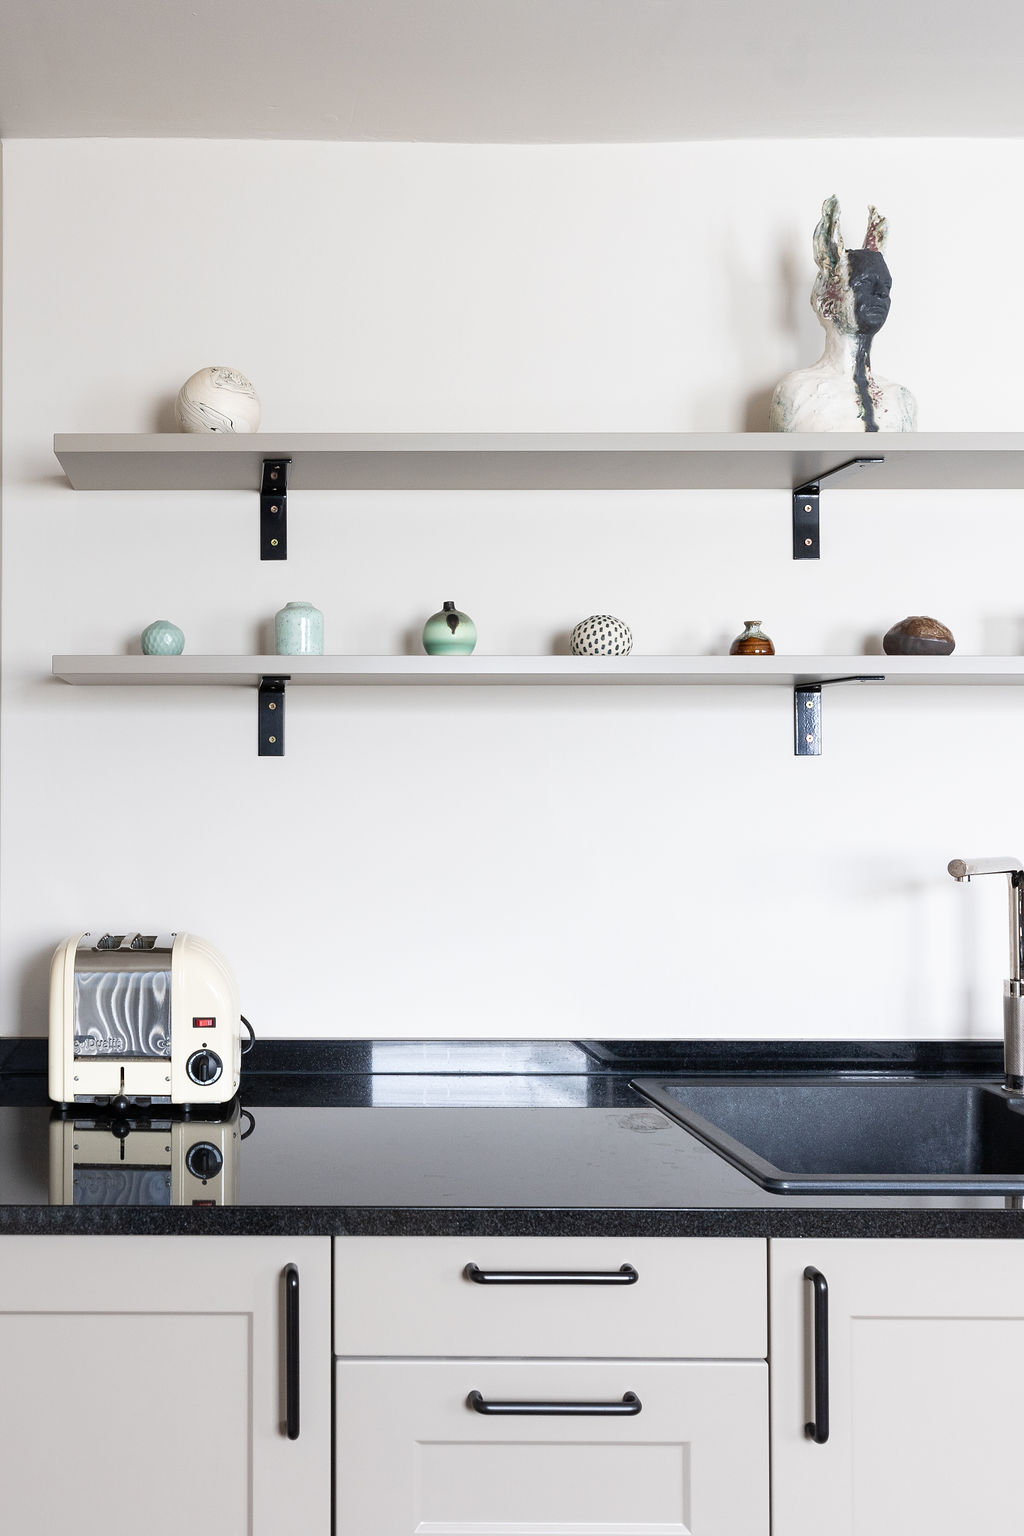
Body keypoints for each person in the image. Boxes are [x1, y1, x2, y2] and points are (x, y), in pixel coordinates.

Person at [769, 195, 917, 432]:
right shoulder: (796, 393)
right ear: (827, 301)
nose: (880, 293)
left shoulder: (901, 401)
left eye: (886, 287)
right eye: (864, 285)